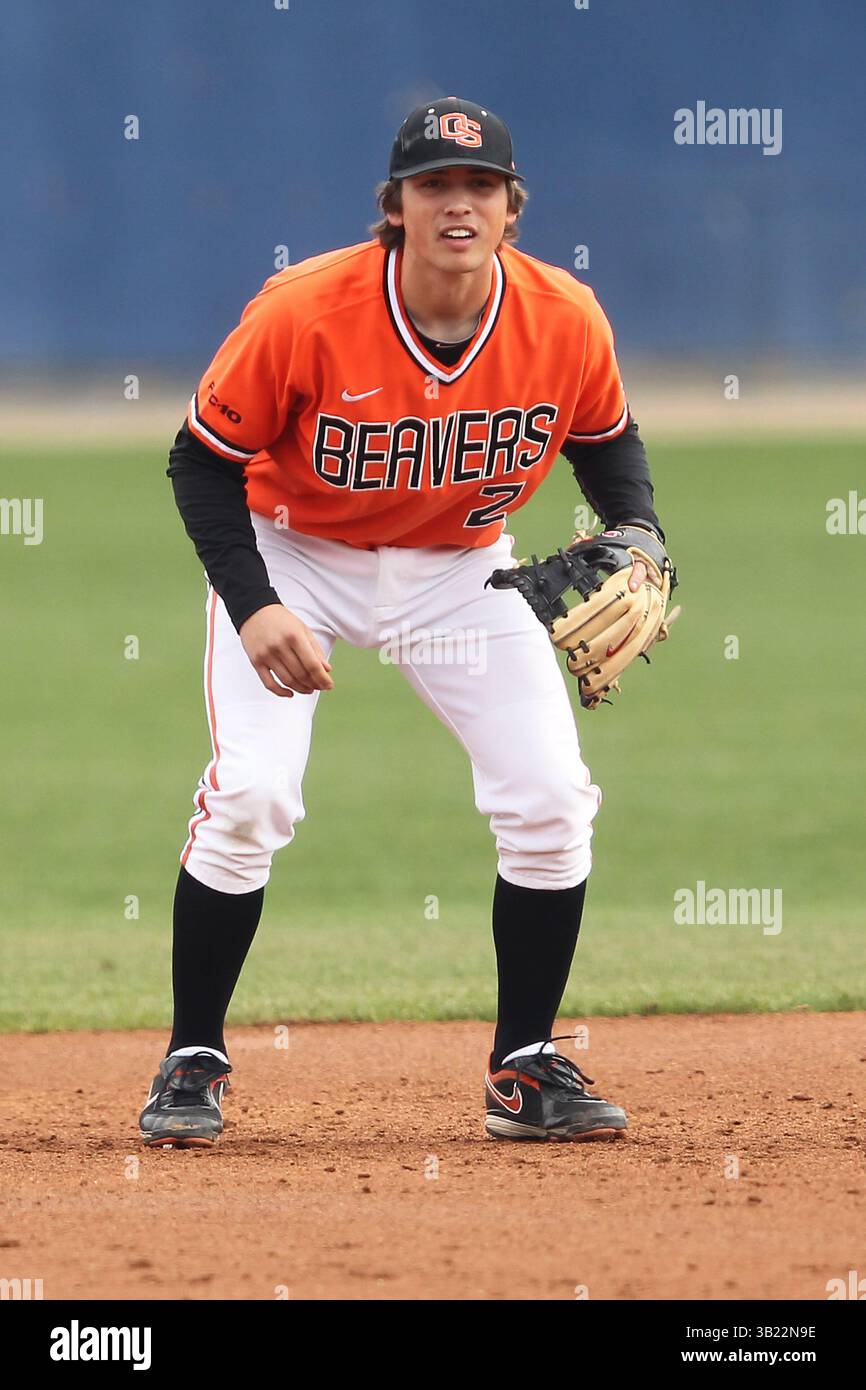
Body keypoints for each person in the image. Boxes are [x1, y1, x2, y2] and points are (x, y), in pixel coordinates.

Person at [139, 96, 670, 1148]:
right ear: (394, 208)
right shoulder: (305, 310)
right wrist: (255, 605)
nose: (457, 203)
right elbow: (200, 460)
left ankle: (522, 1067)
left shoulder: (563, 316)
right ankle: (191, 1057)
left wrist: (641, 532)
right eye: (433, 185)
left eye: (479, 186)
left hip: (458, 572)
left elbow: (607, 441)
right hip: (296, 554)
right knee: (250, 795)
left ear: (512, 209)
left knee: (551, 798)